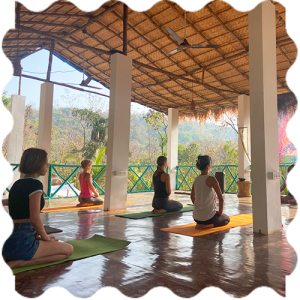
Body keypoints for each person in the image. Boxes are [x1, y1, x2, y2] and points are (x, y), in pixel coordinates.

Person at [1, 148, 74, 269]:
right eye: (46, 162)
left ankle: (14, 257)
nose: (48, 165)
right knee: (68, 250)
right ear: (37, 163)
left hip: (6, 245)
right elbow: (34, 219)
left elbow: (20, 214)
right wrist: (46, 238)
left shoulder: (17, 184)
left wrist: (38, 236)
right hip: (22, 242)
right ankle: (21, 263)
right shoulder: (35, 185)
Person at [191, 155, 230, 229]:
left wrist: (199, 207)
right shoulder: (212, 179)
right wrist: (220, 212)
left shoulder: (196, 179)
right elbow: (221, 198)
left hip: (196, 217)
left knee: (218, 217)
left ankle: (200, 224)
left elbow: (192, 197)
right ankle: (209, 225)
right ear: (208, 166)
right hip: (208, 217)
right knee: (226, 219)